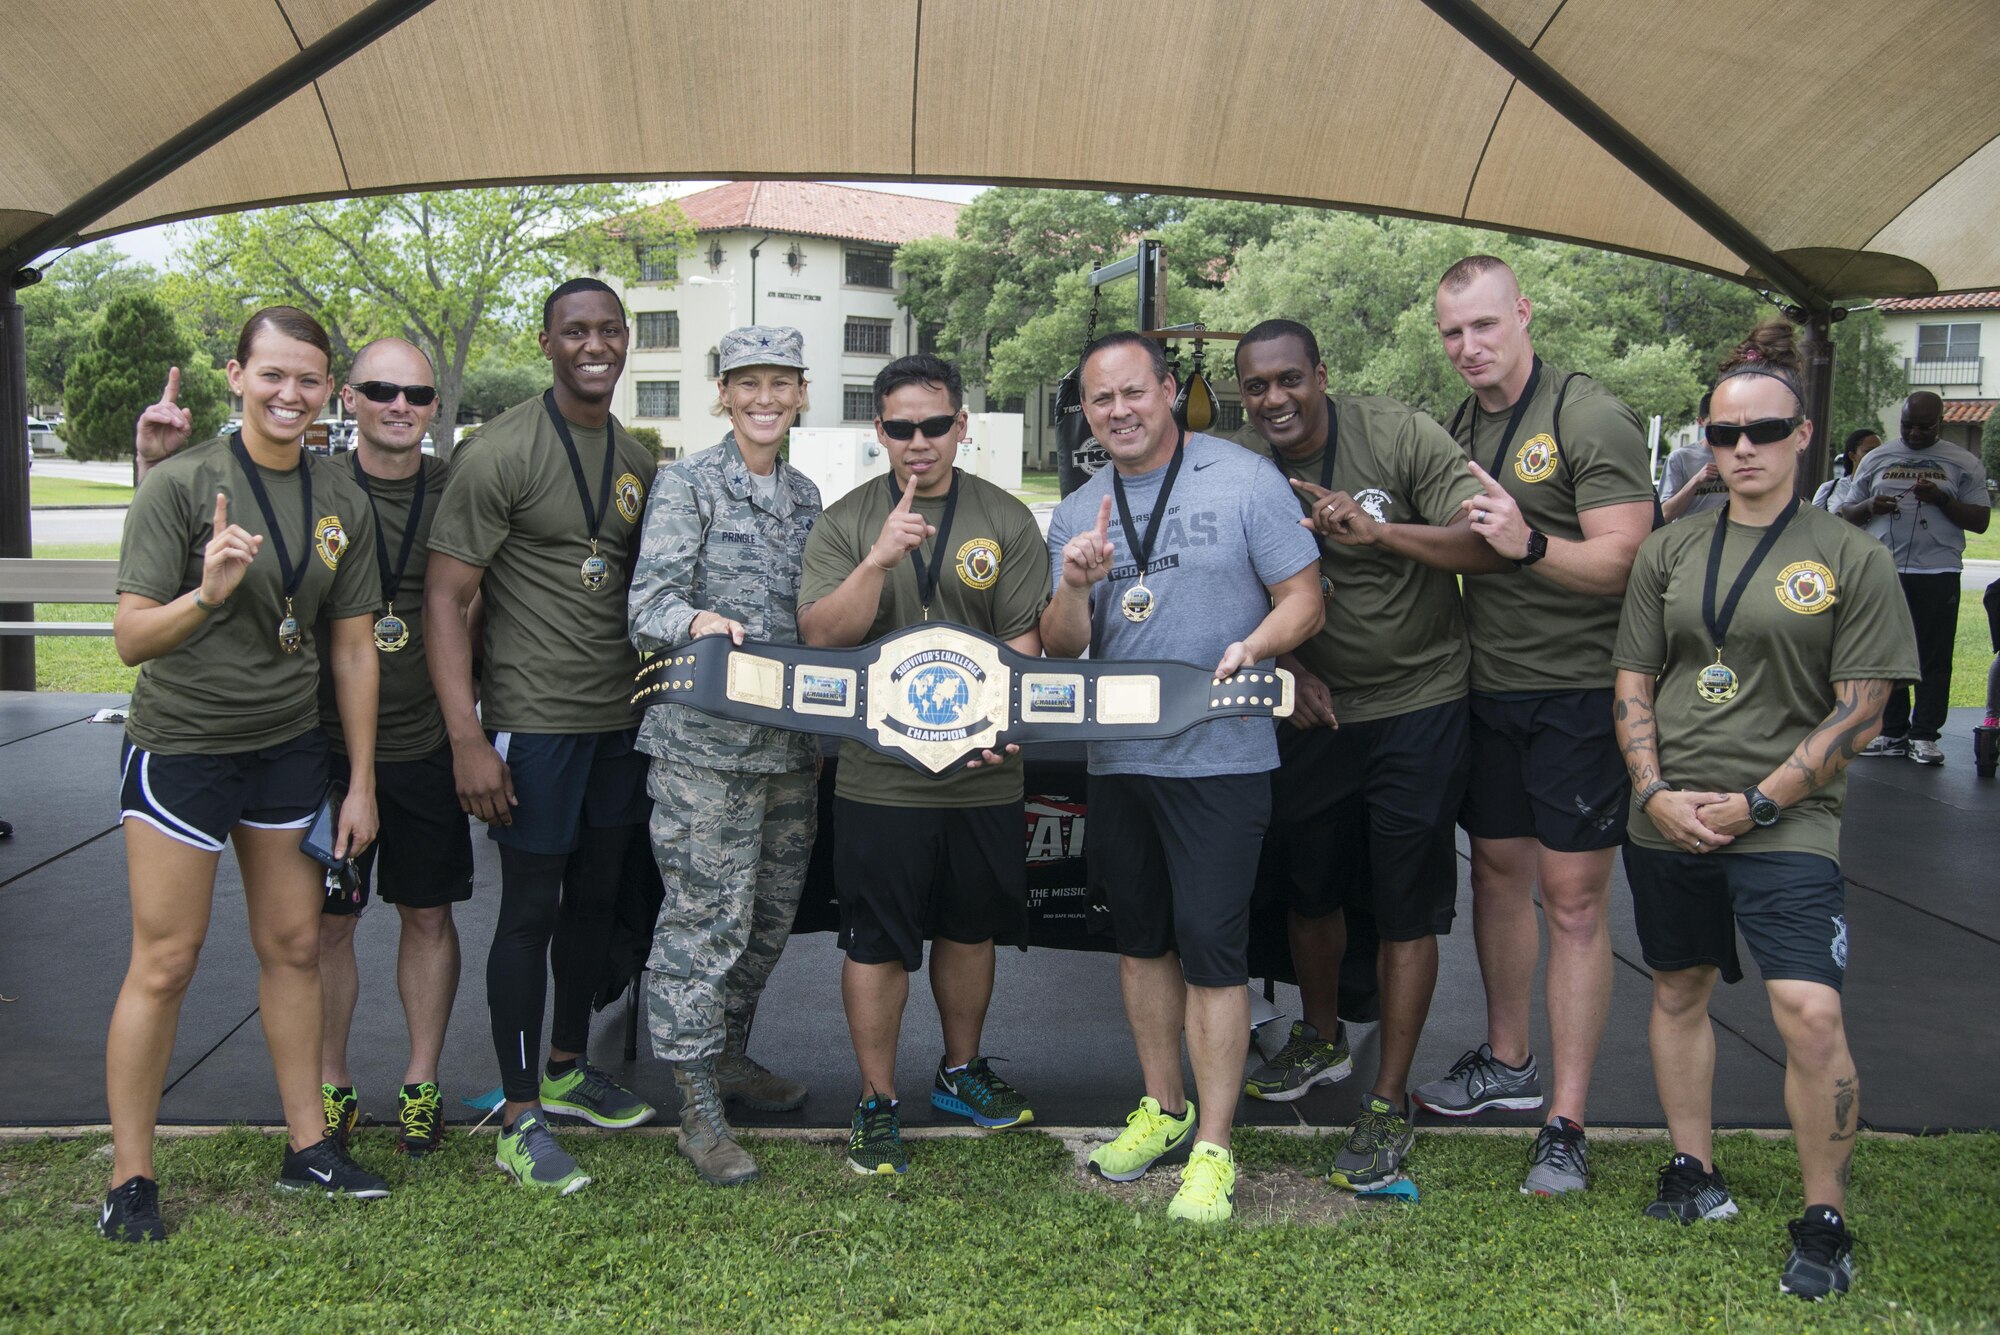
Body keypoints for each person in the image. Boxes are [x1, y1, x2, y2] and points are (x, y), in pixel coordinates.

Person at [1612, 320, 1918, 1300]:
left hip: (1786, 820)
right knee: (1676, 991)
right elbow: (1630, 682)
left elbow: (1861, 709)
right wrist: (1654, 792)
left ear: (1801, 435)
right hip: (1667, 814)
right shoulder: (1667, 549)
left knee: (1806, 1013)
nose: (1738, 449)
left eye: (1760, 430)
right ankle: (1691, 1169)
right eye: (1721, 433)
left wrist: (1753, 802)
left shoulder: (1849, 557)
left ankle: (1821, 1213)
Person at [103, 307, 389, 1242]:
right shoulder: (182, 485)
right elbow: (130, 637)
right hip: (184, 749)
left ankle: (309, 1147)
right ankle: (132, 1175)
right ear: (236, 375)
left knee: (296, 947)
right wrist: (205, 594)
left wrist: (360, 780)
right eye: (272, 375)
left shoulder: (340, 492)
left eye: (308, 379)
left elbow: (352, 649)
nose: (288, 394)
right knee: (167, 958)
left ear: (328, 390)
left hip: (285, 752)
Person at [1042, 331, 1322, 1223]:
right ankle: (1163, 1110)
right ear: (1084, 413)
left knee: (1213, 948)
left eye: (1133, 392)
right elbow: (1061, 648)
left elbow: (1306, 597)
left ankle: (1214, 1146)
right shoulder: (1078, 507)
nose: (1119, 411)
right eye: (1099, 400)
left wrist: (1257, 645)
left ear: (1169, 391)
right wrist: (1074, 586)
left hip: (1221, 756)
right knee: (1140, 941)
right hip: (1120, 759)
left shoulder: (1244, 479)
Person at [1416, 255, 1654, 1196]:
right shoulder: (1463, 423)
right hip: (1492, 687)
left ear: (1522, 313)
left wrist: (1531, 543)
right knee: (1502, 879)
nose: (1468, 346)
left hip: (1580, 694)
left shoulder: (1585, 415)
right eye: (1451, 333)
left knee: (1575, 901)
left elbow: (1630, 559)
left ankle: (1566, 1118)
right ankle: (1509, 1063)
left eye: (1482, 325)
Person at [1231, 320, 1484, 1191]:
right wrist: (1286, 663)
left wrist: (1382, 534)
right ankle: (1322, 1037)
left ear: (1321, 376)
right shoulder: (1237, 464)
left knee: (1406, 905)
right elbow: (1225, 584)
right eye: (1256, 386)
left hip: (1419, 701)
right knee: (1311, 887)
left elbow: (1484, 543)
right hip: (1313, 713)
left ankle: (1386, 1100)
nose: (1274, 399)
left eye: (1288, 380)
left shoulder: (1400, 433)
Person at [425, 279, 659, 1195]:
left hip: (617, 720)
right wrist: (468, 739)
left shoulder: (637, 454)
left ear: (626, 340)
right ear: (547, 341)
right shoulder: (502, 450)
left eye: (607, 330)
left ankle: (567, 1066)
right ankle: (519, 1115)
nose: (593, 345)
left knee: (596, 901)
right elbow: (445, 599)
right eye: (575, 331)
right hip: (533, 719)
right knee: (529, 908)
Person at [798, 353, 1050, 1176]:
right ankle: (875, 1101)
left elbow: (1023, 647)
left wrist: (1003, 722)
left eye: (934, 424)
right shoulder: (845, 521)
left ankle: (960, 1071)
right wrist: (876, 559)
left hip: (981, 771)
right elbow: (821, 638)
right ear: (879, 431)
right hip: (881, 775)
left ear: (960, 426)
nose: (918, 441)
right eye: (900, 427)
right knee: (875, 942)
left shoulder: (1005, 516)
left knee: (970, 928)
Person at [628, 325, 823, 1187]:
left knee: (769, 918)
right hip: (704, 750)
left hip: (789, 749)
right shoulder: (687, 484)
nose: (764, 399)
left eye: (780, 382)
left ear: (802, 392)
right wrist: (695, 621)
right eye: (747, 383)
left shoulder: (809, 494)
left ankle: (731, 1055)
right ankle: (697, 1105)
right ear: (723, 393)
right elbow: (649, 602)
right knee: (706, 921)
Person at [311, 339, 472, 1161]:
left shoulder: (457, 487)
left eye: (415, 393)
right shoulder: (318, 484)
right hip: (324, 743)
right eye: (380, 390)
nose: (398, 405)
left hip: (426, 741)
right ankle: (331, 1084)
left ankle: (419, 1082)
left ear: (434, 406)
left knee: (428, 911)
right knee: (328, 924)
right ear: (349, 397)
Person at [1839, 391, 1991, 765]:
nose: (1915, 433)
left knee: (1933, 656)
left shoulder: (1963, 462)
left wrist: (1942, 500)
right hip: (1884, 570)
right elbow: (1845, 512)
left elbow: (1982, 520)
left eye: (1924, 427)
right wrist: (1868, 507)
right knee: (1886, 654)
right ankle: (1891, 732)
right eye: (1908, 425)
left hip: (1937, 570)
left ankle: (1924, 735)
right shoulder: (1877, 458)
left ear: (1940, 423)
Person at [1658, 393, 1729, 522]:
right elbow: (1665, 515)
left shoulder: (1738, 454)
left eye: (1725, 424)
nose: (1719, 430)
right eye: (1712, 424)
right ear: (1700, 422)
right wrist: (1696, 480)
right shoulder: (1680, 458)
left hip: (1729, 537)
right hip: (1691, 538)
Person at [1811, 430, 1880, 512]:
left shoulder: (1884, 487)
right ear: (1852, 456)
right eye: (1869, 451)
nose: (1877, 456)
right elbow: (1814, 522)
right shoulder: (1829, 489)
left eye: (1880, 451)